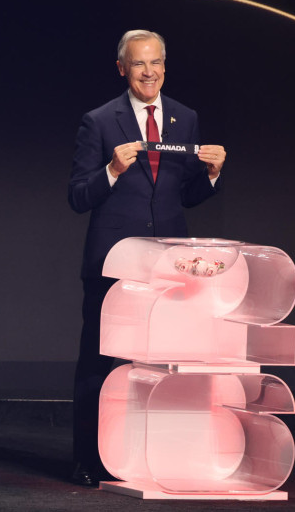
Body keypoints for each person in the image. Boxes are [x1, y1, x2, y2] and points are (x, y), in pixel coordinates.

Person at [67, 29, 226, 486]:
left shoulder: (185, 118)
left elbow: (182, 196)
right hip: (113, 263)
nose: (149, 71)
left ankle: (152, 458)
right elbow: (77, 197)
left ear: (164, 66)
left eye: (155, 62)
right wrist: (112, 171)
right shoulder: (98, 122)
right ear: (123, 69)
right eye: (139, 63)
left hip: (169, 267)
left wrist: (212, 176)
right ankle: (87, 461)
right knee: (99, 364)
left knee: (164, 366)